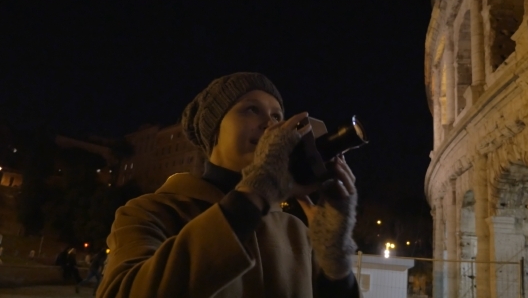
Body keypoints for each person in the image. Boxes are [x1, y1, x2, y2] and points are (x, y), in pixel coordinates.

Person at [97, 72, 360, 297]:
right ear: (214, 132)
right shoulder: (150, 212)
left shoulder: (296, 231)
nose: (270, 124)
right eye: (251, 109)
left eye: (277, 116)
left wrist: (335, 260)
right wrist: (258, 189)